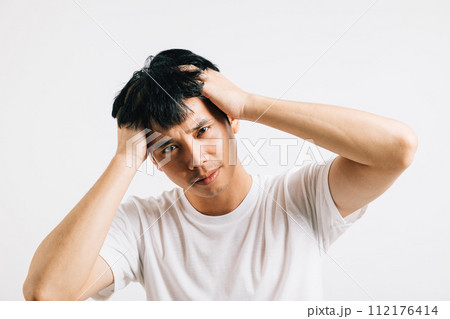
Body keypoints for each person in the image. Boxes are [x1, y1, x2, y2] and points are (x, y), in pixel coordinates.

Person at [23, 49, 418, 301]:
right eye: (168, 147)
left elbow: (397, 149)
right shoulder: (141, 224)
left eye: (202, 131)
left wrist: (249, 102)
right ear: (152, 160)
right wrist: (123, 158)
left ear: (230, 121)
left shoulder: (301, 197)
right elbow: (46, 294)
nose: (195, 159)